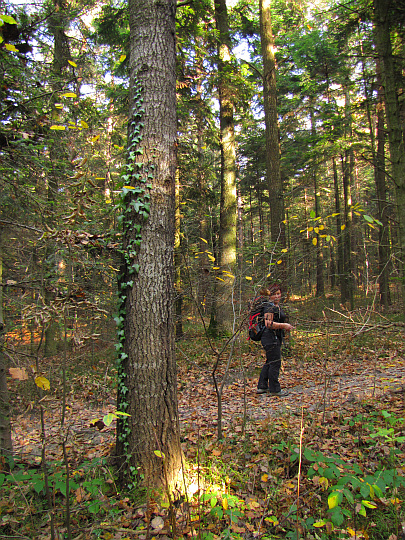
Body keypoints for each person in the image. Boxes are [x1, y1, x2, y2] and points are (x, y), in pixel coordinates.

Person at [256, 284, 293, 397]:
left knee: (270, 361)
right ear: (270, 296)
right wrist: (284, 325)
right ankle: (275, 389)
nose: (277, 296)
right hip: (269, 338)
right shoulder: (269, 307)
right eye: (274, 294)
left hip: (275, 337)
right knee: (275, 362)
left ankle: (262, 386)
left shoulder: (276, 306)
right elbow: (268, 324)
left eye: (279, 294)